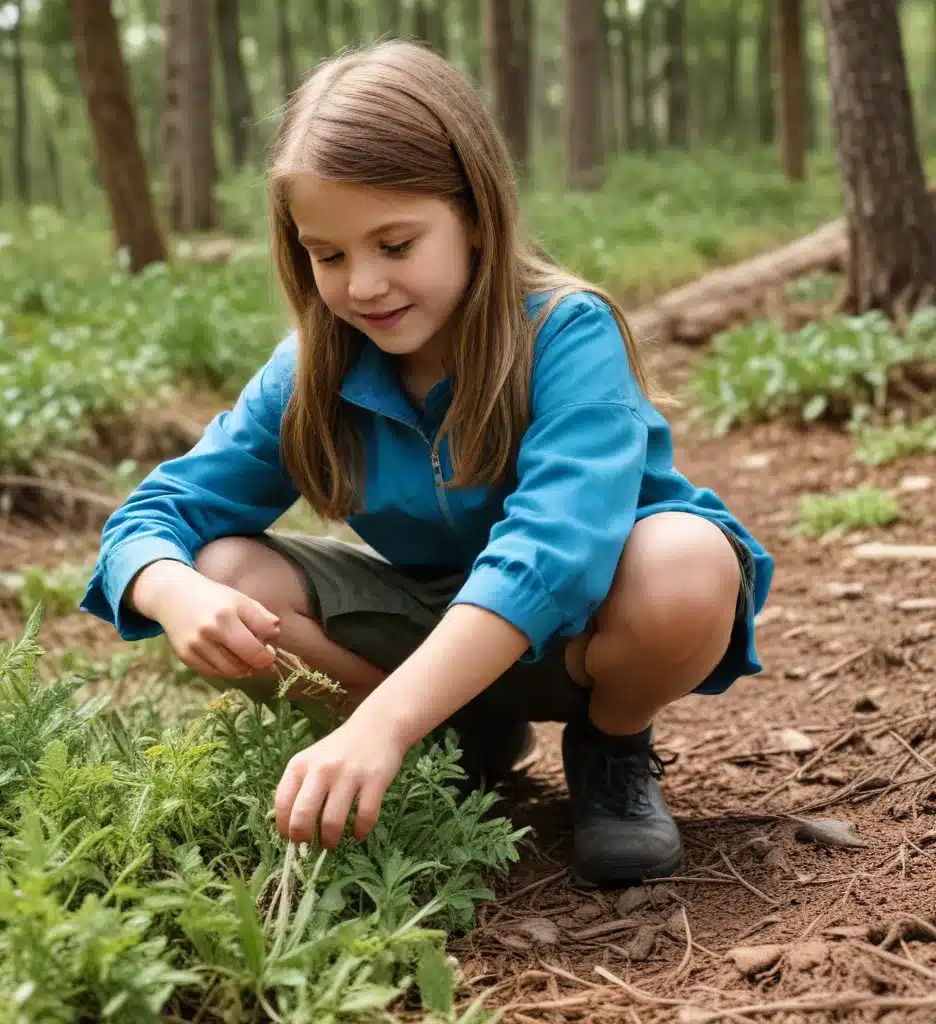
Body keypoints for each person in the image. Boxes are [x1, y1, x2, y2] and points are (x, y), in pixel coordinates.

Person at [80, 40, 773, 889]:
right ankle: (459, 743)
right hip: (421, 633)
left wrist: (384, 724)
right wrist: (168, 587)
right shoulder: (315, 369)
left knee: (685, 562)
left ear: (475, 213)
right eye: (327, 255)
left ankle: (613, 746)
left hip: (587, 628)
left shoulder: (566, 332)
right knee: (223, 568)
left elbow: (556, 549)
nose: (363, 284)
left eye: (396, 244)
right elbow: (152, 518)